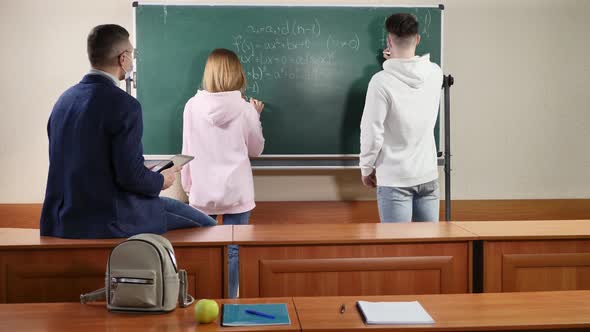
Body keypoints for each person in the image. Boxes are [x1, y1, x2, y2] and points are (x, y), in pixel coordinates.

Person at [40, 24, 216, 239]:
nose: (132, 61)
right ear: (122, 58)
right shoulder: (124, 104)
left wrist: (145, 171)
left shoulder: (64, 101)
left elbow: (92, 162)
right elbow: (129, 177)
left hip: (62, 220)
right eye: (131, 54)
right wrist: (162, 180)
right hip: (109, 218)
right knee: (209, 227)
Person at [181, 48, 265, 298]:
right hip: (237, 191)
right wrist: (257, 117)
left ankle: (203, 298)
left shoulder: (192, 106)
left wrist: (188, 187)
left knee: (202, 250)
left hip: (202, 189)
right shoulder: (244, 109)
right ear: (237, 72)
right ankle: (230, 300)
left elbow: (186, 150)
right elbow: (256, 150)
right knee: (235, 250)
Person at [359, 13, 443, 223]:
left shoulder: (381, 82)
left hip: (395, 178)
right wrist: (395, 63)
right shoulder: (435, 73)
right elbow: (411, 72)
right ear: (417, 39)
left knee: (398, 251)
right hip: (427, 175)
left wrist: (366, 168)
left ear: (389, 40)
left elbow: (372, 131)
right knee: (430, 251)